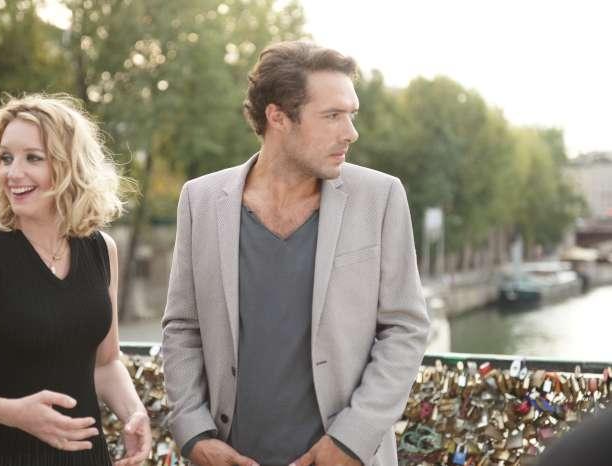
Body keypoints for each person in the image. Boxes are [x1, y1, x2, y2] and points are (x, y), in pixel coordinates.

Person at [161, 41, 430, 466]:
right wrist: (193, 434)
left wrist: (350, 441)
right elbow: (182, 327)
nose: (351, 132)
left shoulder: (380, 197)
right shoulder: (201, 200)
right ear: (278, 117)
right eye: (332, 116)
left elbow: (405, 328)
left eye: (351, 115)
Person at [0, 94, 151, 465]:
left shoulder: (102, 250)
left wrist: (135, 413)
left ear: (69, 165)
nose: (12, 172)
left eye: (33, 158)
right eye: (6, 157)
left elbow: (105, 364)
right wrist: (13, 413)